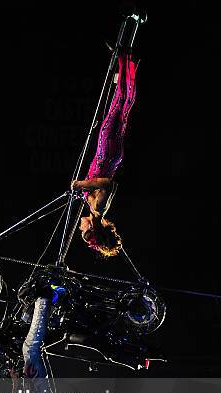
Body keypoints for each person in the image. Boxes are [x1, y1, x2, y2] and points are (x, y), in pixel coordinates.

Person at [72, 52, 139, 257]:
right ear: (91, 229)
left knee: (122, 110)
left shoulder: (94, 209)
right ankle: (125, 62)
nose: (80, 228)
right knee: (119, 107)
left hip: (110, 155)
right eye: (83, 231)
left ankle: (126, 65)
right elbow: (109, 184)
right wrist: (80, 185)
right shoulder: (98, 209)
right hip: (107, 155)